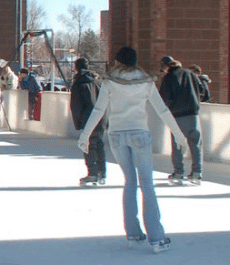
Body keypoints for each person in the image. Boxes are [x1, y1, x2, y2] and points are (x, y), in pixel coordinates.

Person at [77, 46, 185, 254]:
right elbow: (161, 109)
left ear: (118, 61)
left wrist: (85, 135)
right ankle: (156, 238)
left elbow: (99, 109)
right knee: (147, 184)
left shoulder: (109, 82)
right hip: (139, 134)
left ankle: (134, 233)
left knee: (130, 183)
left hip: (116, 135)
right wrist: (179, 135)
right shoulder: (145, 82)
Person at [158, 55, 204, 185]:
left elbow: (164, 98)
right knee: (195, 144)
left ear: (166, 66)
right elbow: (202, 90)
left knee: (178, 144)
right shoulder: (191, 74)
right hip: (193, 114)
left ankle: (178, 173)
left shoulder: (168, 78)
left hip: (177, 116)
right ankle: (196, 173)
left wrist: (170, 108)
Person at [71, 58, 105, 185]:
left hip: (87, 119)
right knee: (99, 144)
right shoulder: (98, 82)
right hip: (101, 118)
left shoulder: (79, 84)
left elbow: (76, 106)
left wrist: (78, 122)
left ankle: (92, 173)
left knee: (89, 145)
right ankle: (102, 173)